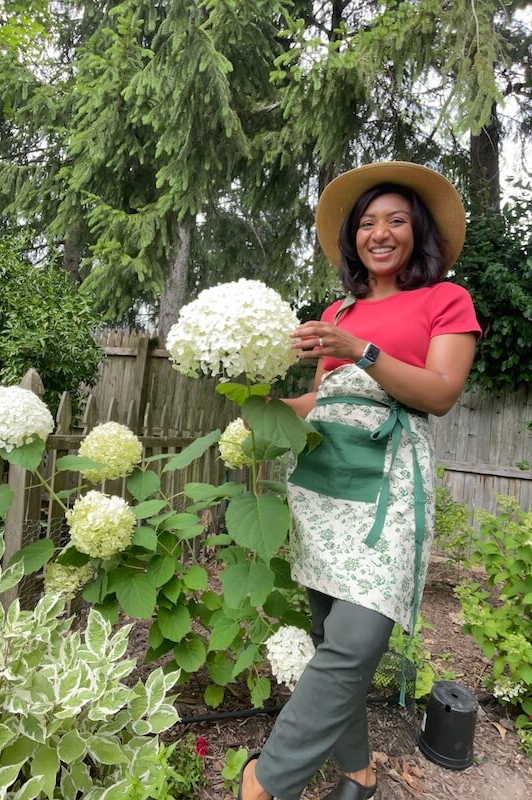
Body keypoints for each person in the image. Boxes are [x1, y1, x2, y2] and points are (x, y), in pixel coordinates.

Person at [237, 161, 481, 800]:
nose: (380, 232)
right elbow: (318, 405)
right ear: (353, 239)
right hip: (321, 480)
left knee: (357, 638)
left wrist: (361, 350)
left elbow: (441, 393)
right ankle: (359, 773)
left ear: (416, 232)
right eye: (368, 223)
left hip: (389, 485)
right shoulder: (337, 308)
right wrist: (249, 401)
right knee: (329, 639)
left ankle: (265, 781)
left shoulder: (444, 301)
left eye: (396, 220)